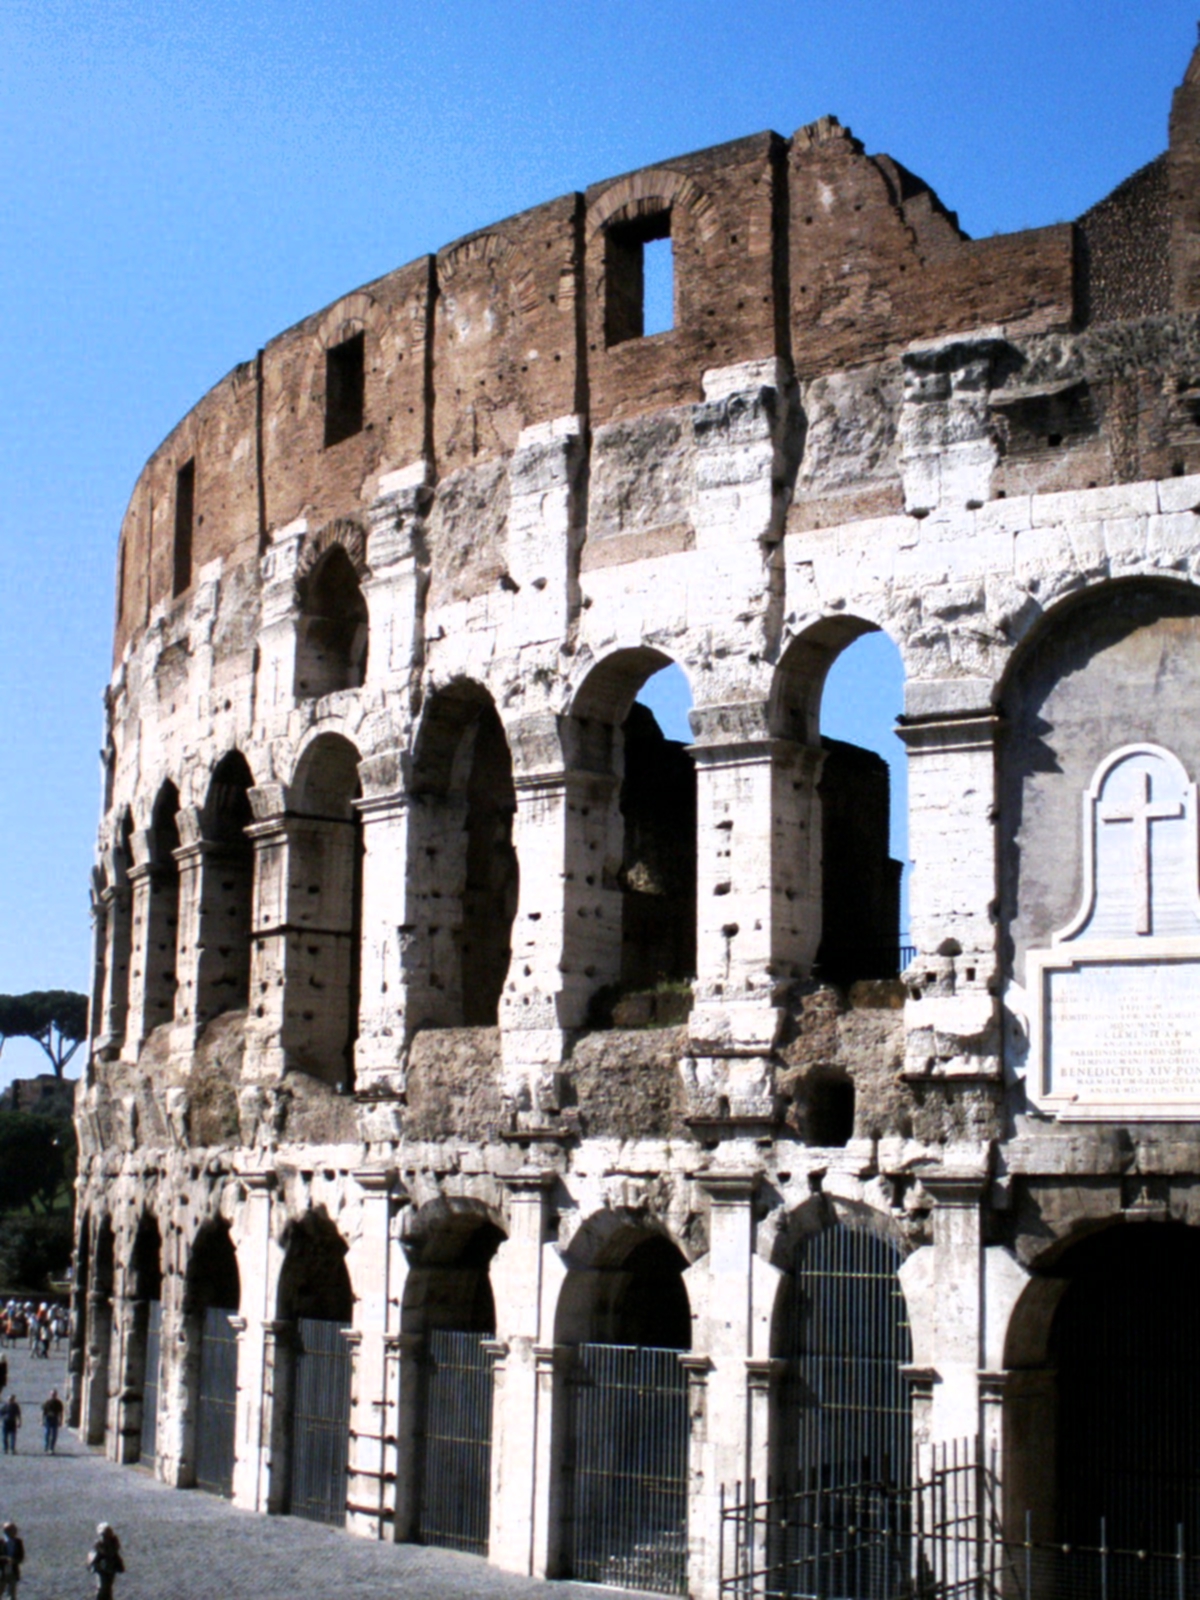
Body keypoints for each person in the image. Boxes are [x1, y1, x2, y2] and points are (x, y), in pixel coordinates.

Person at [87, 1525, 123, 1600]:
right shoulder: (99, 1546)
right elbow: (94, 1559)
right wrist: (93, 1566)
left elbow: (115, 1556)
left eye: (106, 1535)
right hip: (101, 1570)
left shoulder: (113, 1546)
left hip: (110, 1569)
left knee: (107, 1589)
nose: (104, 1538)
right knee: (102, 1589)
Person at [0, 1522, 23, 1599]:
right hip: (2, 1571)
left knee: (12, 1595)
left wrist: (15, 1561)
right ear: (6, 1531)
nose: (15, 1532)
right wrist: (5, 1559)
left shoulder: (18, 1542)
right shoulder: (1, 1542)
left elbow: (21, 1556)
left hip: (13, 1572)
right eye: (12, 1530)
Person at [40, 1390, 62, 1454]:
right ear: (50, 1394)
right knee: (47, 1433)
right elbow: (43, 1412)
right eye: (52, 1394)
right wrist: (42, 1420)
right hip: (48, 1419)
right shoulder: (47, 1402)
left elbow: (60, 1413)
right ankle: (46, 1447)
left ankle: (52, 1448)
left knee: (54, 1434)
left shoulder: (58, 1403)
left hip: (55, 1419)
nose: (53, 1395)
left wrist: (60, 1421)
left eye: (54, 1394)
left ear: (56, 1395)